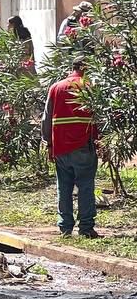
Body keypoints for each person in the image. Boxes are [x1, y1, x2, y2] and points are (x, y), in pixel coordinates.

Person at [42, 58, 99, 238]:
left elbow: (46, 118)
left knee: (64, 187)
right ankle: (86, 228)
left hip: (60, 146)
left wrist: (48, 144)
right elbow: (100, 116)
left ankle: (65, 228)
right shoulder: (90, 86)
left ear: (71, 68)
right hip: (83, 145)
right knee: (85, 187)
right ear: (87, 68)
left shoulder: (56, 87)